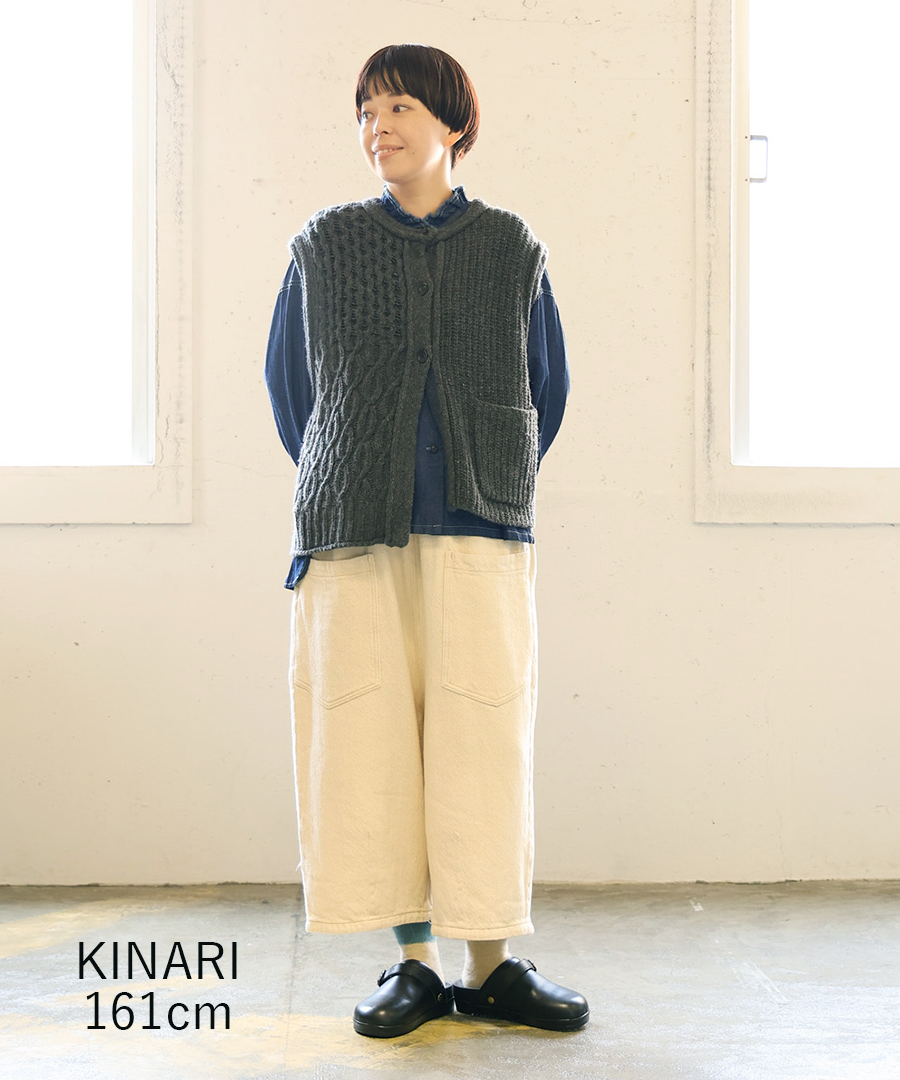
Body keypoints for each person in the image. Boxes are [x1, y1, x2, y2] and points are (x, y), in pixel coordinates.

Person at [265, 43, 588, 1038]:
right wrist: (358, 465)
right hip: (354, 535)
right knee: (369, 746)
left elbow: (545, 390)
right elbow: (292, 394)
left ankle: (491, 965)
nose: (379, 128)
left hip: (478, 528)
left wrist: (484, 473)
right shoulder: (324, 246)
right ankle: (414, 963)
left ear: (454, 122)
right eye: (366, 112)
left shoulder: (510, 247)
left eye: (399, 106)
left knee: (482, 743)